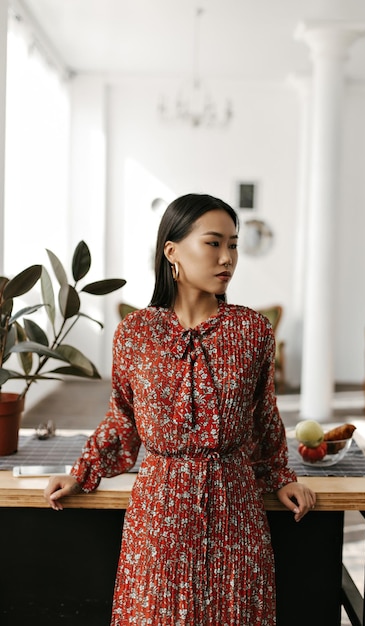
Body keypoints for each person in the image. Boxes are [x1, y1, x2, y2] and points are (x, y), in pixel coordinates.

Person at [44, 193, 316, 625]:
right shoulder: (135, 333)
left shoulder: (252, 330)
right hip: (160, 509)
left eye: (234, 243)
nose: (228, 257)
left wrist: (280, 475)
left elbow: (264, 418)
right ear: (172, 251)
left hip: (235, 507)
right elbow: (123, 419)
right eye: (213, 243)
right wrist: (83, 472)